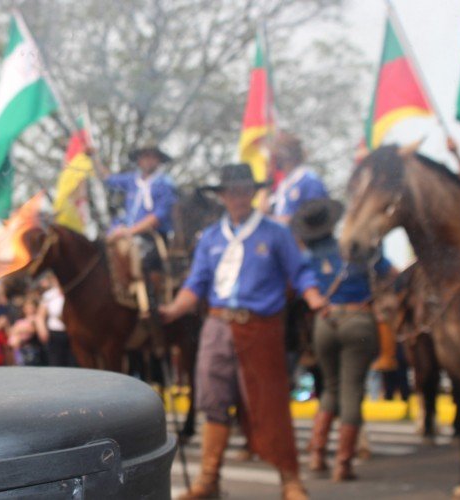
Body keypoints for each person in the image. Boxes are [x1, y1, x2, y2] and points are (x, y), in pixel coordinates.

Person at [160, 163, 327, 500]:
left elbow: (300, 272)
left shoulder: (275, 233)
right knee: (213, 400)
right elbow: (197, 282)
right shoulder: (209, 238)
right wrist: (174, 309)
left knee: (270, 401)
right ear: (221, 196)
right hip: (217, 325)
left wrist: (313, 297)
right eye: (230, 191)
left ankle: (290, 480)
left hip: (261, 326)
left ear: (253, 192)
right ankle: (209, 479)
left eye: (243, 189)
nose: (237, 196)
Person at [291, 198, 394, 481]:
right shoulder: (356, 248)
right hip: (357, 319)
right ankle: (343, 464)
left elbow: (302, 285)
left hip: (325, 321)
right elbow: (391, 274)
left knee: (330, 388)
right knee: (352, 390)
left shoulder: (308, 256)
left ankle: (317, 455)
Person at [103, 142, 177, 314]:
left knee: (145, 261)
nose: (148, 161)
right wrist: (93, 157)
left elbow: (158, 217)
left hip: (152, 235)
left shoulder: (165, 184)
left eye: (152, 157)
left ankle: (151, 306)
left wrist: (128, 232)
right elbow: (107, 179)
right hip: (125, 233)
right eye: (144, 156)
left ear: (159, 161)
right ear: (138, 160)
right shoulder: (131, 179)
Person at [269, 132, 329, 224]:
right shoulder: (284, 184)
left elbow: (315, 217)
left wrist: (284, 221)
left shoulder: (309, 181)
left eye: (275, 156)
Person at [36, 273, 75, 367]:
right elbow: (40, 316)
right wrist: (42, 330)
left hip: (72, 334)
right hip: (55, 334)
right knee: (57, 364)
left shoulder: (72, 293)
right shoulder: (49, 295)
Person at [9, 295, 46, 366]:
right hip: (20, 350)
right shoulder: (20, 320)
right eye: (27, 307)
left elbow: (32, 330)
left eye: (31, 307)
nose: (29, 309)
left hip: (33, 349)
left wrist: (19, 330)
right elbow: (12, 331)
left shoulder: (36, 319)